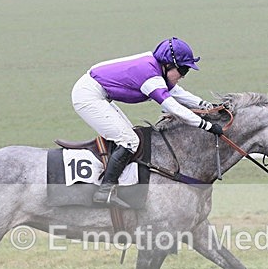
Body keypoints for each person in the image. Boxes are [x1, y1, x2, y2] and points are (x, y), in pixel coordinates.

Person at [72, 37, 223, 208]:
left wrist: (207, 106)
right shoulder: (151, 77)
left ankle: (118, 184)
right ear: (168, 65)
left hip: (96, 92)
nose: (183, 75)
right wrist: (207, 126)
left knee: (131, 138)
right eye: (183, 70)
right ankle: (104, 192)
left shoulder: (157, 68)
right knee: (129, 141)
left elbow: (178, 93)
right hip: (88, 96)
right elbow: (173, 107)